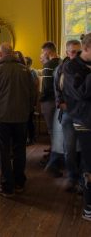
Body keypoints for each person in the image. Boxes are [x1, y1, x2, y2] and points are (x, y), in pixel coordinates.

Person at [0, 42, 36, 197]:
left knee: (3, 151)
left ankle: (7, 186)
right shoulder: (25, 70)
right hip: (21, 116)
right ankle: (19, 182)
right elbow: (33, 93)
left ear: (1, 54)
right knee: (20, 149)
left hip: (2, 117)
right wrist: (28, 110)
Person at [62, 33, 91, 221]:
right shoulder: (71, 67)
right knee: (89, 165)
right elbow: (81, 94)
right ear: (87, 48)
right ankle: (89, 207)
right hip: (84, 121)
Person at [55, 39, 82, 191]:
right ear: (67, 53)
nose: (76, 55)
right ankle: (72, 176)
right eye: (73, 52)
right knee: (69, 148)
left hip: (84, 114)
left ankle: (83, 180)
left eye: (78, 52)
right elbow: (57, 89)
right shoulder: (61, 69)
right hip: (68, 113)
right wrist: (61, 103)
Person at [40, 42, 62, 145]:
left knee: (51, 130)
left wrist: (41, 99)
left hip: (49, 101)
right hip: (61, 101)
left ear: (48, 51)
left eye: (43, 52)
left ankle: (55, 156)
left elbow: (46, 86)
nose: (42, 54)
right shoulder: (62, 62)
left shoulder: (48, 65)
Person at [24, 56, 39, 145]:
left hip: (29, 99)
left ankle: (31, 137)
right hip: (27, 99)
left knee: (29, 120)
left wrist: (34, 101)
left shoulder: (32, 72)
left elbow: (34, 86)